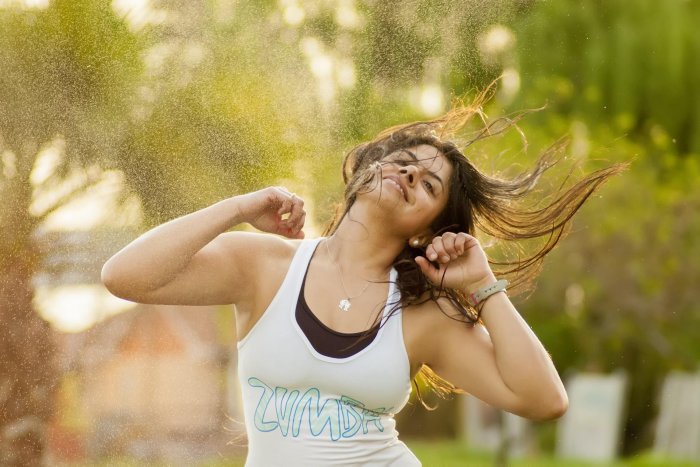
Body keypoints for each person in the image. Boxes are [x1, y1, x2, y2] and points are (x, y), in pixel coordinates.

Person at [101, 87, 624, 466]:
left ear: (426, 231)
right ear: (367, 170)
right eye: (403, 161)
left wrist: (481, 286)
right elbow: (125, 277)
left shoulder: (423, 316)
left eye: (427, 185)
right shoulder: (265, 267)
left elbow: (544, 401)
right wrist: (238, 206)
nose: (409, 174)